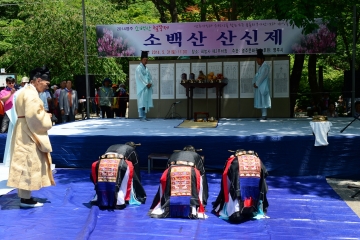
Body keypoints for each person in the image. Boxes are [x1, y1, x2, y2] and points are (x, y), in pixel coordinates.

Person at [7, 69, 55, 208]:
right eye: (46, 83)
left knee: (23, 162)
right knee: (28, 162)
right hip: (29, 131)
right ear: (38, 80)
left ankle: (24, 196)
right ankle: (26, 200)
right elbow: (35, 116)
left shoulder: (23, 91)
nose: (47, 86)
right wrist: (47, 117)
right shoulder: (32, 95)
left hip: (23, 128)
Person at [149, 145, 208, 219]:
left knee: (168, 188)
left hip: (172, 171)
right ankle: (192, 209)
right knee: (194, 188)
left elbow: (167, 166)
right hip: (190, 172)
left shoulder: (174, 154)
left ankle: (166, 208)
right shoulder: (196, 155)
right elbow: (201, 172)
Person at [212, 149, 269, 222]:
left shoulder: (234, 161)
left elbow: (228, 174)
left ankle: (236, 214)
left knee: (235, 199)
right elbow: (265, 173)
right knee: (253, 198)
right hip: (255, 186)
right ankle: (251, 211)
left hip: (238, 185)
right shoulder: (257, 160)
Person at [90, 142, 146, 209]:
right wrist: (137, 189)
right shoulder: (132, 150)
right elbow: (135, 170)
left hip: (101, 163)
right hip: (120, 164)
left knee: (102, 181)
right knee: (121, 184)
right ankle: (119, 202)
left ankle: (99, 197)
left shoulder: (112, 146)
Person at [252, 49, 271, 120]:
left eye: (258, 59)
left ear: (262, 59)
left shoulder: (265, 67)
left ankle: (264, 115)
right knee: (261, 100)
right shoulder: (261, 67)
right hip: (260, 86)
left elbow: (262, 76)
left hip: (263, 86)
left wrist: (256, 83)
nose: (257, 61)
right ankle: (263, 115)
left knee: (263, 100)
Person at [135, 50, 153, 121]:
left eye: (147, 60)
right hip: (142, 88)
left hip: (146, 88)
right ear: (141, 60)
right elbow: (139, 77)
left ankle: (144, 116)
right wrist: (146, 84)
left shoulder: (146, 69)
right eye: (145, 59)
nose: (146, 61)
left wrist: (150, 82)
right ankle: (141, 116)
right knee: (141, 102)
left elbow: (150, 77)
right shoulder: (138, 68)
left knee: (145, 102)